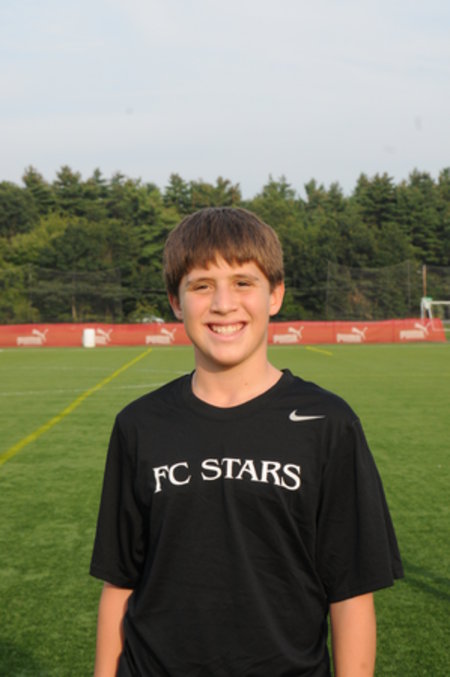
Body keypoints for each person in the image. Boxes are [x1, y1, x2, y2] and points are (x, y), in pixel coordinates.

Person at [90, 207, 403, 676]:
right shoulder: (139, 424)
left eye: (243, 282)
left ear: (275, 294)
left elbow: (351, 591)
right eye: (201, 286)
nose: (223, 304)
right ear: (176, 302)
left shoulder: (328, 423)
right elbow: (120, 582)